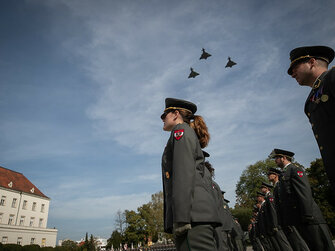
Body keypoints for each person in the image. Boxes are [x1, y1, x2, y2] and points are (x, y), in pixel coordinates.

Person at [161, 97, 221, 251]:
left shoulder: (180, 131)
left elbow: (183, 174)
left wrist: (181, 218)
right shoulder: (186, 132)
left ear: (175, 114)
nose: (162, 119)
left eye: (164, 115)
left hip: (192, 217)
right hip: (196, 215)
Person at [288, 45, 335, 195]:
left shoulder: (332, 78)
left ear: (312, 62)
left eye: (295, 67)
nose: (292, 74)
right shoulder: (310, 100)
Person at [269, 148, 334, 251]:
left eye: (276, 158)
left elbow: (304, 193)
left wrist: (307, 215)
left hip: (310, 218)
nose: (275, 160)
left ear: (284, 158)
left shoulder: (295, 170)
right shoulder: (284, 174)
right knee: (313, 247)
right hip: (300, 218)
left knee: (322, 247)